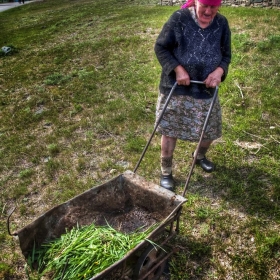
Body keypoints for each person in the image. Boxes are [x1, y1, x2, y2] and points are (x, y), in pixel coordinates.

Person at [154, 0, 231, 191]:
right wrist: (177, 69)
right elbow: (161, 47)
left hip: (205, 87)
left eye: (213, 6)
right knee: (170, 129)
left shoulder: (222, 23)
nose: (208, 10)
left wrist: (219, 72)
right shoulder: (179, 18)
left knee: (210, 129)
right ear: (196, 1)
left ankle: (199, 156)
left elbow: (226, 55)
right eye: (205, 5)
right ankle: (166, 171)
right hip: (176, 86)